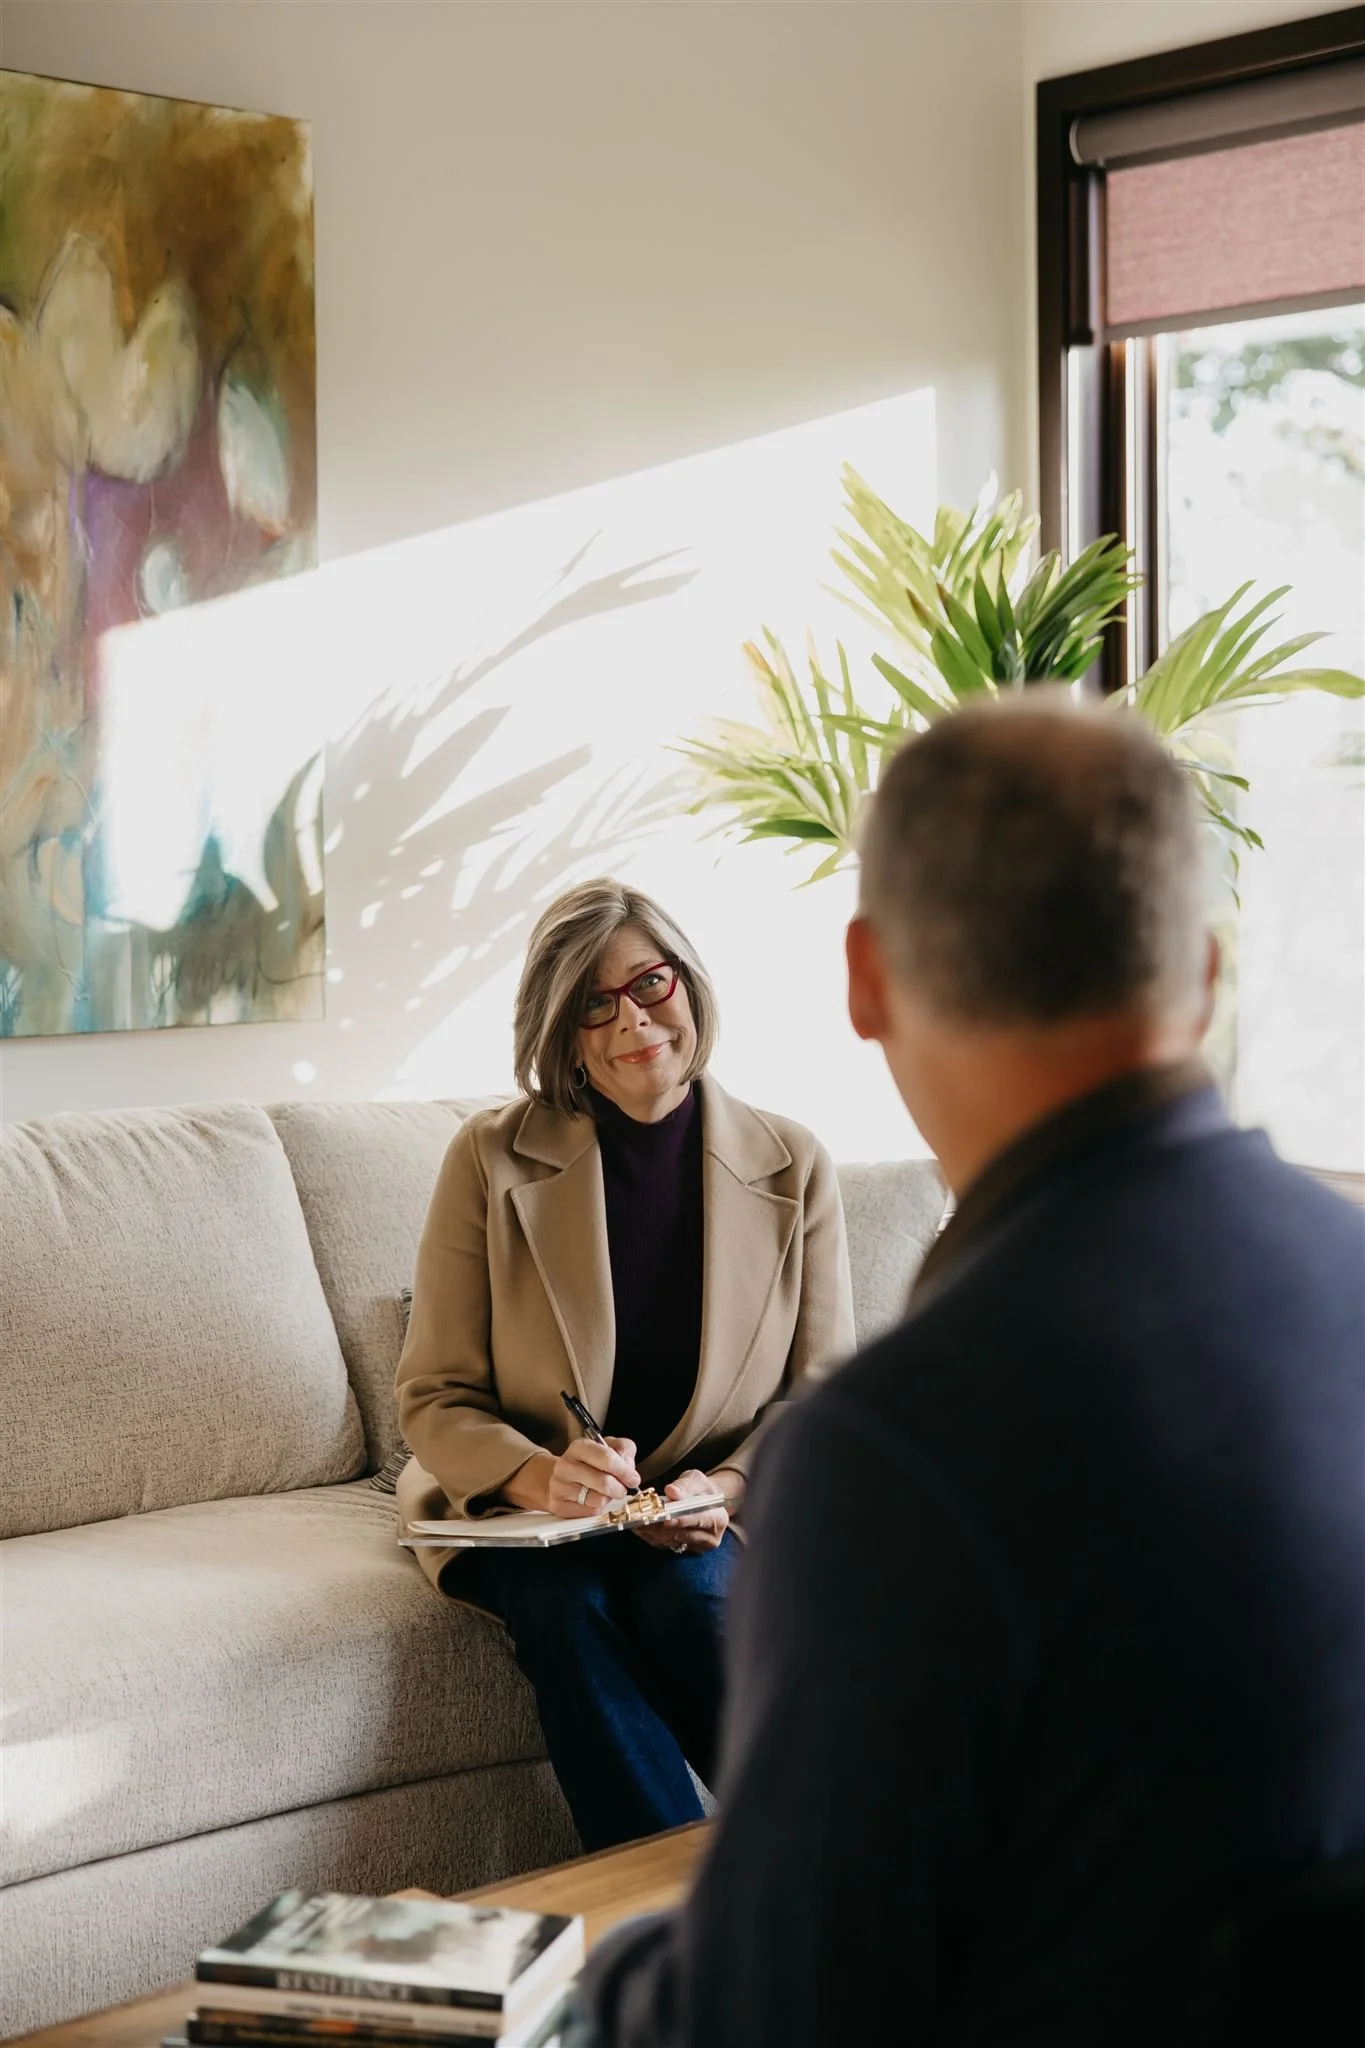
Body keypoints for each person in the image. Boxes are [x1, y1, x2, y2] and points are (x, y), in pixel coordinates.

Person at [579, 695, 1365, 2045]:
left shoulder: (899, 1455)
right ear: (1209, 970)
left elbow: (767, 2019)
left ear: (866, 979)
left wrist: (585, 1993)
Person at [395, 879, 855, 1853]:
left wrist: (723, 1487)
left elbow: (821, 1401)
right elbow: (434, 1395)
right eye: (592, 1004)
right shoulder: (487, 1157)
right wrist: (541, 1473)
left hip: (698, 1509)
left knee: (689, 1600)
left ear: (688, 982)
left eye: (650, 983)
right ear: (561, 1035)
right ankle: (677, 1924)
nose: (633, 1019)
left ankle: (816, 1874)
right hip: (529, 1517)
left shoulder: (793, 1160)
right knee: (568, 1605)